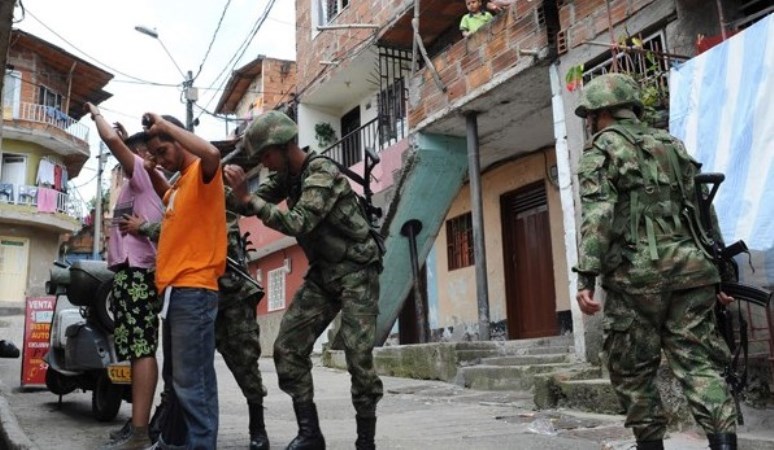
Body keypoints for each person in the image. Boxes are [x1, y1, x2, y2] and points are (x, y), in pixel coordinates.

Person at [573, 73, 738, 450]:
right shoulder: (673, 145)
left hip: (636, 280)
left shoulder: (601, 151)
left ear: (600, 113)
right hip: (693, 271)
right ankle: (725, 445)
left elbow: (597, 215)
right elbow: (704, 210)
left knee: (633, 372)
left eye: (591, 115)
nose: (590, 123)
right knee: (700, 365)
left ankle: (650, 444)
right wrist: (723, 276)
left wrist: (586, 277)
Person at [223, 110, 384, 450]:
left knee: (359, 360)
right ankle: (311, 434)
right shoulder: (287, 176)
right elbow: (246, 205)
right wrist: (214, 184)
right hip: (324, 274)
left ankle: (365, 442)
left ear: (283, 146)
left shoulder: (320, 171)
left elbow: (299, 222)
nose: (264, 164)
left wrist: (249, 199)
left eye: (266, 155)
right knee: (287, 349)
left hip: (357, 271)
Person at [121, 190, 270, 450]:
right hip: (195, 299)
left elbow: (186, 231)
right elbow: (176, 226)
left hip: (231, 300)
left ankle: (257, 429)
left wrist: (143, 227)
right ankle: (168, 428)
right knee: (182, 370)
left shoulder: (218, 202)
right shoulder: (184, 197)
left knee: (246, 365)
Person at [142, 113, 227, 450]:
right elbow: (168, 197)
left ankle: (201, 445)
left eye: (163, 151)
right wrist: (152, 173)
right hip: (175, 292)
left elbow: (213, 154)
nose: (160, 160)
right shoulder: (180, 184)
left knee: (194, 382)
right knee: (175, 380)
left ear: (179, 139)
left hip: (195, 289)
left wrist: (165, 125)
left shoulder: (203, 172)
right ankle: (172, 443)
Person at [85, 102, 164, 450]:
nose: (125, 162)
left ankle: (140, 432)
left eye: (130, 155)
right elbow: (119, 145)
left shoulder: (144, 176)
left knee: (142, 350)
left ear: (146, 157)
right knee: (134, 350)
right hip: (129, 273)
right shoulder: (136, 183)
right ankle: (137, 426)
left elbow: (111, 143)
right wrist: (121, 137)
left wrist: (96, 115)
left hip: (138, 272)